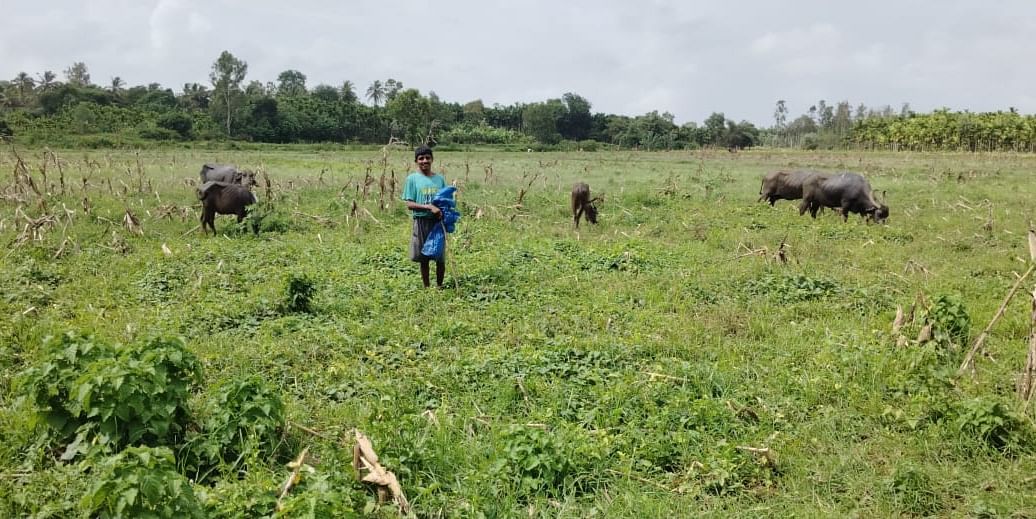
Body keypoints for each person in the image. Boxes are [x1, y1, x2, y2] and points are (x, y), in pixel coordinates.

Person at [402, 145, 448, 287]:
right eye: (421, 158)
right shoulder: (412, 179)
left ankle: (439, 287)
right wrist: (428, 207)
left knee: (440, 257)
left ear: (432, 160)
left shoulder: (439, 179)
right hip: (421, 221)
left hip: (437, 223)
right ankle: (426, 288)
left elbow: (445, 200)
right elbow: (409, 204)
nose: (424, 161)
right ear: (416, 161)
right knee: (424, 257)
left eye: (427, 158)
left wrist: (445, 212)